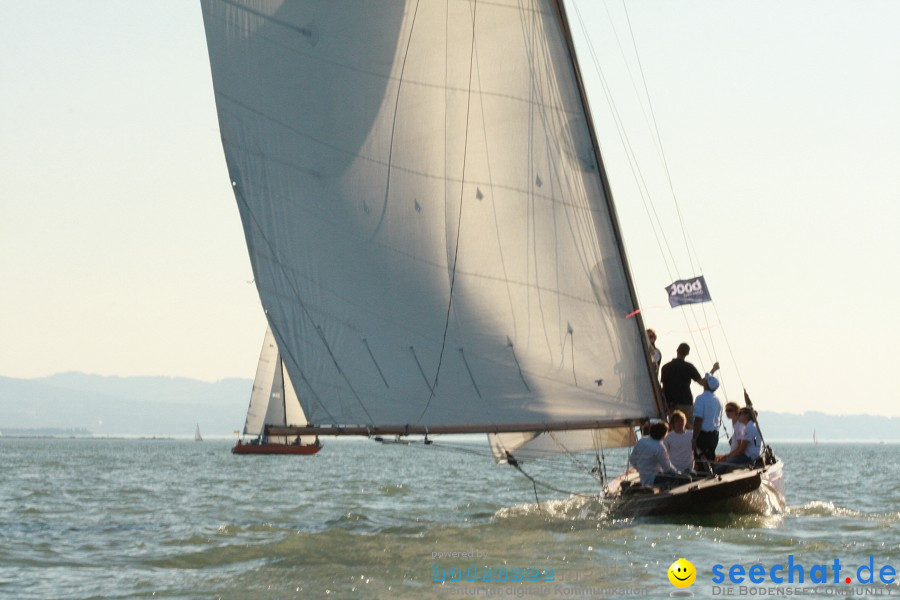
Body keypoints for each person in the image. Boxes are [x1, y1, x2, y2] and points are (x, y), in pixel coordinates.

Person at [660, 343, 719, 428]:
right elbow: (702, 382)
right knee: (689, 428)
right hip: (686, 402)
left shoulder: (665, 367)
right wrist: (713, 369)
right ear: (687, 354)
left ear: (677, 350)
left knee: (673, 429)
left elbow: (663, 387)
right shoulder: (689, 367)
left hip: (670, 403)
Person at [628, 422, 679, 487]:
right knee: (683, 480)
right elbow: (667, 468)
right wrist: (678, 473)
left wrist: (641, 469)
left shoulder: (641, 441)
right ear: (664, 434)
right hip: (655, 478)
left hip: (643, 478)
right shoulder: (659, 447)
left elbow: (632, 460)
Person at [715, 407, 762, 473]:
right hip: (750, 456)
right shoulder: (751, 426)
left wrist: (728, 457)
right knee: (721, 464)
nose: (738, 415)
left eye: (740, 413)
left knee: (718, 468)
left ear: (747, 415)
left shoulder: (749, 428)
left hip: (748, 458)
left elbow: (741, 450)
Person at [691, 373, 723, 466]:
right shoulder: (718, 401)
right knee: (710, 458)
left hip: (703, 436)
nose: (704, 380)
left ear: (706, 384)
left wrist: (694, 439)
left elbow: (698, 420)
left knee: (701, 461)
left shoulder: (701, 398)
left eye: (705, 380)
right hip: (714, 435)